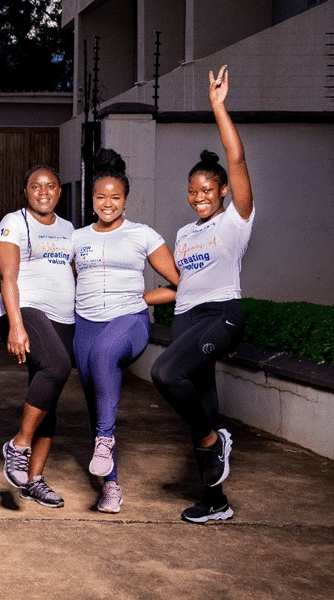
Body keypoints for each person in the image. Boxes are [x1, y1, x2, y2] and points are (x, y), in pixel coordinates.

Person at [151, 65, 254, 524]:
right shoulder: (184, 233)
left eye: (208, 189)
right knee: (202, 405)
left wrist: (217, 106)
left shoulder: (236, 220)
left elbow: (237, 158)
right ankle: (216, 502)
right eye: (193, 191)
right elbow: (182, 286)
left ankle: (216, 441)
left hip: (220, 315)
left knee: (165, 373)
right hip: (187, 318)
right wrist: (139, 299)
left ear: (224, 190)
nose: (199, 196)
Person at [71, 148, 180, 514]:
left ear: (126, 199)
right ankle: (111, 486)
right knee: (96, 402)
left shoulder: (142, 235)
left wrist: (143, 298)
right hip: (86, 325)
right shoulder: (78, 238)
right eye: (101, 197)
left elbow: (180, 283)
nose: (108, 203)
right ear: (91, 200)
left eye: (116, 197)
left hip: (129, 321)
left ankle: (105, 438)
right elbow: (72, 280)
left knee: (105, 355)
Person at [0, 165, 74, 509]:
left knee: (48, 398)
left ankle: (33, 481)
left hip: (63, 317)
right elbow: (7, 277)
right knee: (57, 367)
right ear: (25, 191)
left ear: (60, 191)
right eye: (36, 186)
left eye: (50, 185)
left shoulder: (69, 229)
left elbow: (74, 271)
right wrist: (16, 324)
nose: (43, 192)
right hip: (25, 309)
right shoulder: (13, 222)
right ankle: (19, 445)